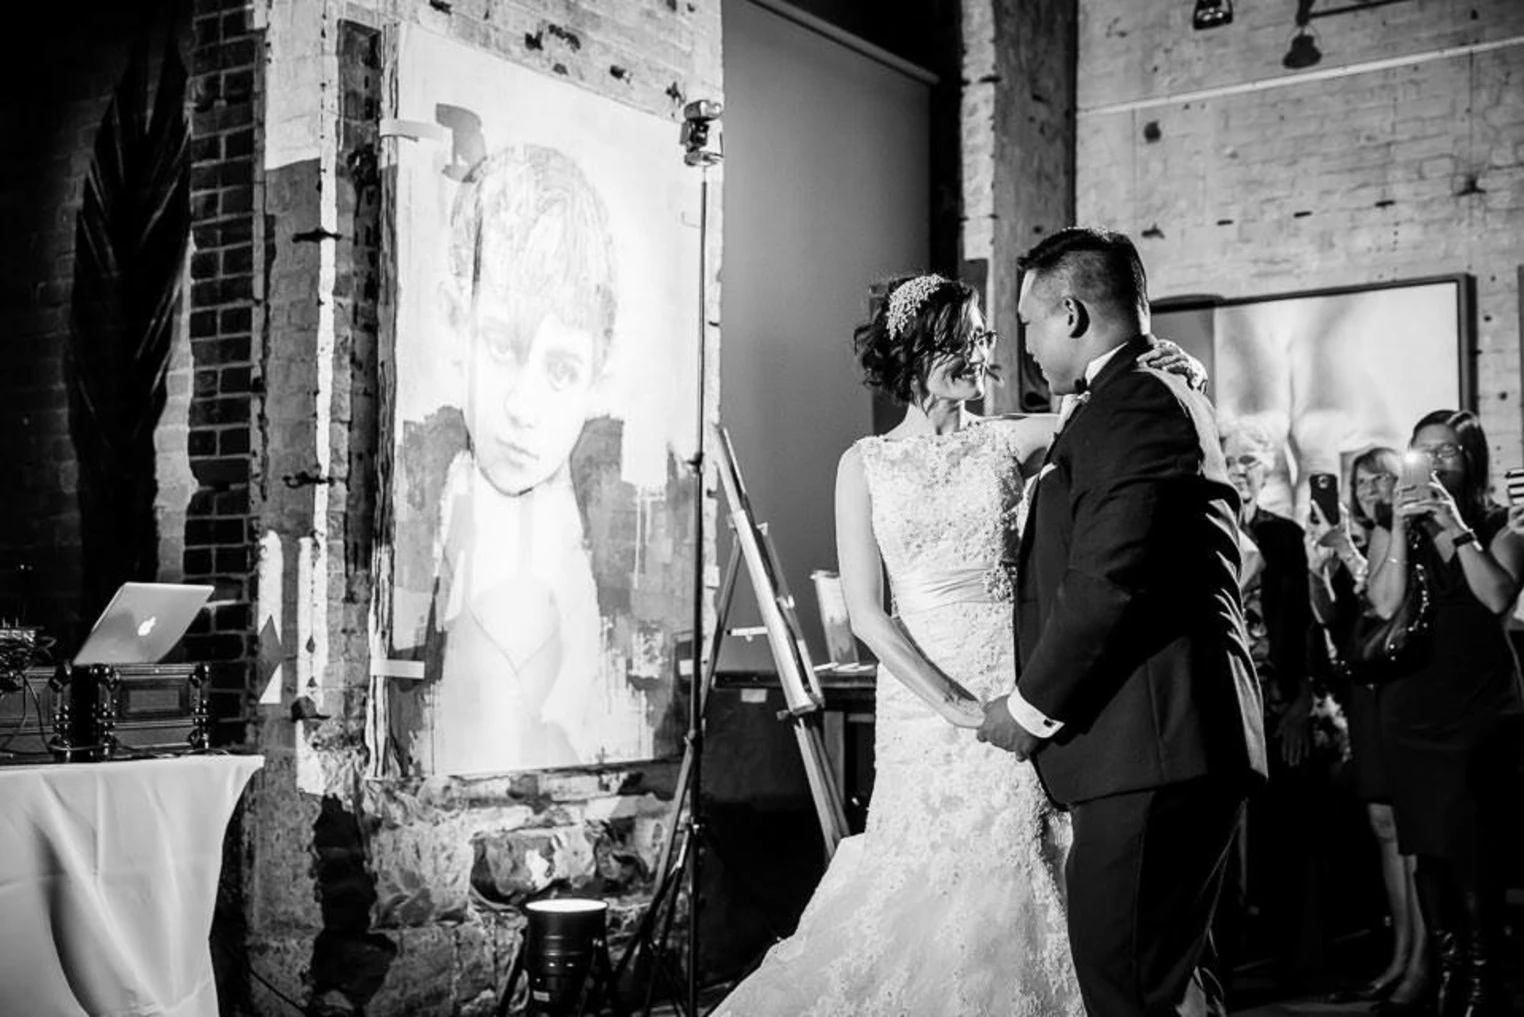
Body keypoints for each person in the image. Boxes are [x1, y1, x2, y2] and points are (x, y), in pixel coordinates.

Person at [710, 272, 1202, 1016]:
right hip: (921, 702)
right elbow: (870, 615)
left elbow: (1110, 414)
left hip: (1012, 680)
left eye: (981, 336)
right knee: (918, 871)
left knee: (1020, 867)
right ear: (912, 351)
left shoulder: (1010, 438)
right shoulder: (863, 464)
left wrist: (1174, 366)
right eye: (958, 339)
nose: (977, 351)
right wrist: (952, 704)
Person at [977, 227, 1267, 1017]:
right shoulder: (1135, 394)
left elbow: (1108, 580)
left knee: (1125, 990)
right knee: (1163, 989)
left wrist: (1029, 708)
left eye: (1030, 320)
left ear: (1070, 314)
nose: (1025, 344)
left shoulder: (1137, 401)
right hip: (1160, 742)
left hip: (1152, 745)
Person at [425, 144, 618, 773]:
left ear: (597, 380)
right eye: (502, 346)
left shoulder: (587, 570)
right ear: (457, 322)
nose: (521, 404)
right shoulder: (425, 520)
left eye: (561, 370)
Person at [1367, 409, 1524, 1016]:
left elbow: (1496, 595)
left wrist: (1454, 526)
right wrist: (1404, 526)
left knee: (1472, 847)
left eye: (1448, 451)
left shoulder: (1498, 522)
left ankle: (1487, 985)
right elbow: (1384, 604)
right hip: (1411, 707)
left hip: (1478, 708)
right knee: (1426, 849)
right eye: (1423, 451)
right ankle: (1449, 973)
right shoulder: (1391, 522)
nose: (1435, 462)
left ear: (1471, 459)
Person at [1306, 447, 1431, 1008]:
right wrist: (1321, 568)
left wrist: (1351, 553)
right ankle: (1400, 953)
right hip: (1363, 687)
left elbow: (1387, 604)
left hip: (1398, 688)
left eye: (1382, 476)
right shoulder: (1370, 534)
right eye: (1361, 481)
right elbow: (1338, 616)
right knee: (1383, 825)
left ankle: (1421, 959)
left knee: (1408, 832)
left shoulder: (1399, 532)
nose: (1370, 488)